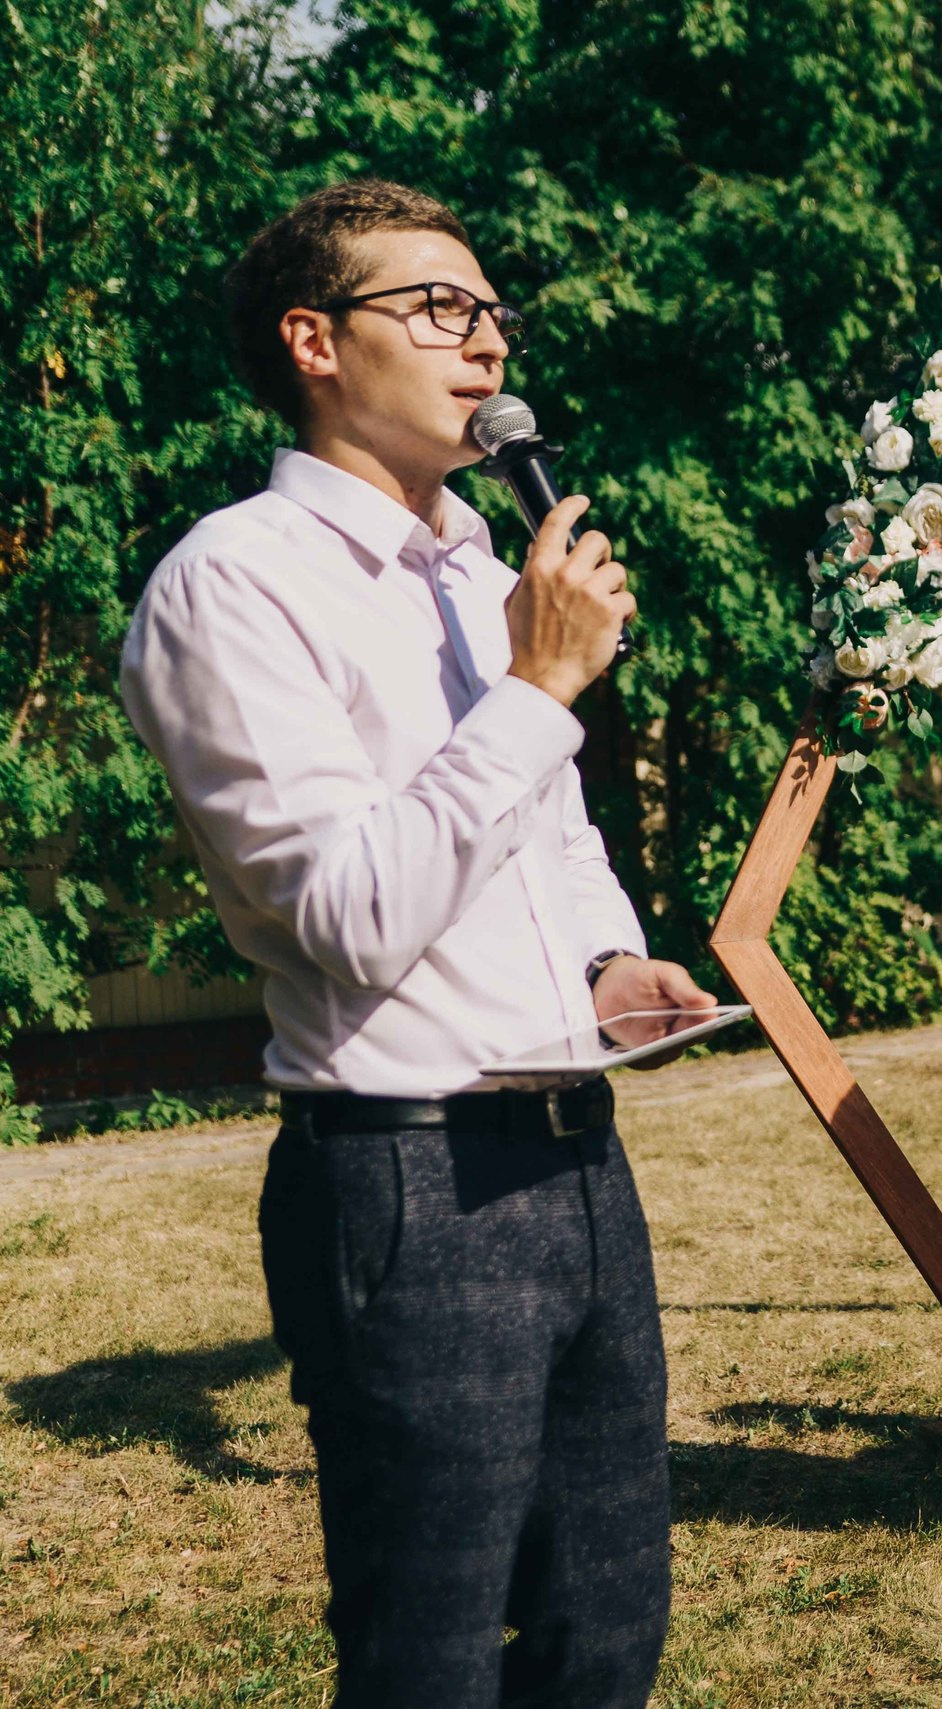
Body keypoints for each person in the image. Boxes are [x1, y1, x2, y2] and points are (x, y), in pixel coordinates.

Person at [118, 179, 713, 1706]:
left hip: (580, 1160)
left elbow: (549, 833)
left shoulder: (480, 568)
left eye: (494, 312)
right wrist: (536, 688)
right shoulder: (232, 583)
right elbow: (345, 916)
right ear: (314, 340)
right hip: (407, 1180)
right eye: (439, 308)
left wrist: (604, 964)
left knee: (605, 1630)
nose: (486, 343)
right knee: (430, 1655)